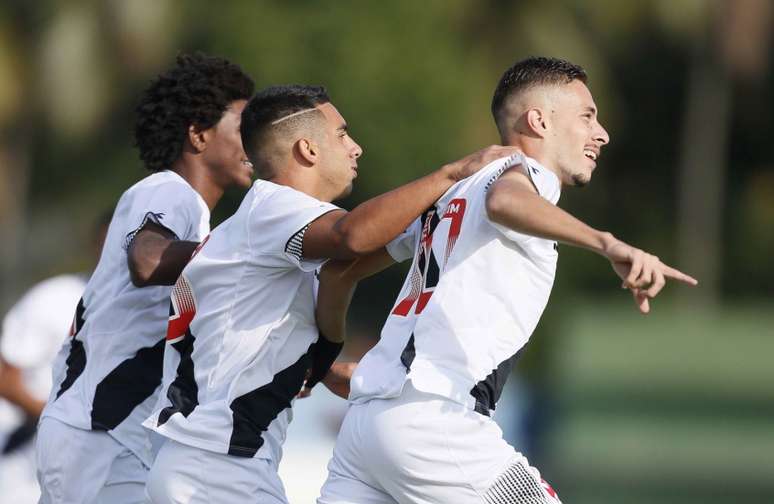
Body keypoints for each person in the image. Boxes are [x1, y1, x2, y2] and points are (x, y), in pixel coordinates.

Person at [316, 56, 698, 504]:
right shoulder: (525, 176)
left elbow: (340, 271)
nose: (602, 133)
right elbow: (504, 202)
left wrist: (318, 357)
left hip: (367, 423)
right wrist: (607, 243)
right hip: (436, 422)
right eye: (587, 116)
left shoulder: (448, 195)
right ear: (538, 120)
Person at [141, 84, 519, 504]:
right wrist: (453, 174)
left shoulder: (267, 228)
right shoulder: (273, 206)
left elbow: (341, 275)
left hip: (210, 465)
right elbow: (353, 237)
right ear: (307, 148)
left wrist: (321, 361)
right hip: (216, 470)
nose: (355, 148)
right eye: (342, 134)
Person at [36, 53, 255, 504]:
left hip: (115, 431)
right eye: (243, 127)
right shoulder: (167, 191)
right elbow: (149, 261)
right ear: (197, 134)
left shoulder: (194, 215)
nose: (256, 142)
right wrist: (242, 256)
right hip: (96, 431)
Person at [0, 212, 109, 504]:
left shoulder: (151, 312)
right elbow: (5, 377)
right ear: (97, 244)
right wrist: (60, 421)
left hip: (95, 470)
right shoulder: (55, 298)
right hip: (24, 464)